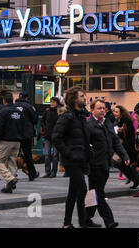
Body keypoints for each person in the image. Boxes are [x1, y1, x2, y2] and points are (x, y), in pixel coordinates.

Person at [52, 87, 93, 228]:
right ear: (74, 99)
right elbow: (56, 138)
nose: (84, 98)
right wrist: (68, 153)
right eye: (82, 96)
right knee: (82, 189)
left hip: (81, 159)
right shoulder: (67, 116)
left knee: (73, 192)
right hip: (72, 160)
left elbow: (85, 141)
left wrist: (87, 161)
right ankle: (83, 223)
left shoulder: (81, 116)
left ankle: (67, 224)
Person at [85, 99, 129, 228]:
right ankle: (109, 221)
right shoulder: (88, 125)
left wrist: (124, 155)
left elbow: (115, 141)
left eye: (103, 108)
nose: (102, 110)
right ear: (92, 110)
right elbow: (85, 146)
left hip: (105, 163)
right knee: (99, 192)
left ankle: (86, 219)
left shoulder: (108, 123)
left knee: (93, 192)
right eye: (99, 108)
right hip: (94, 164)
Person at [0, 92, 26, 193]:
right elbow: (24, 126)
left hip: (6, 140)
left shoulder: (4, 111)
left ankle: (10, 179)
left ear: (4, 101)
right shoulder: (19, 112)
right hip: (17, 140)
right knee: (12, 161)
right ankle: (8, 186)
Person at [14, 92, 39, 181]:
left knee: (14, 155)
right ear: (26, 98)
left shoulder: (13, 106)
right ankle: (32, 174)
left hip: (15, 134)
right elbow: (35, 119)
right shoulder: (28, 106)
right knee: (28, 154)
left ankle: (12, 174)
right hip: (26, 134)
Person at [113, 105, 139, 189]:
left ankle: (136, 180)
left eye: (117, 112)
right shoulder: (119, 120)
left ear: (121, 112)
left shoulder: (125, 120)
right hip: (124, 146)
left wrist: (120, 132)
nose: (115, 113)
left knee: (127, 164)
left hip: (128, 146)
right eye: (114, 111)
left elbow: (128, 134)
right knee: (122, 164)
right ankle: (134, 179)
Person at [41, 97, 61, 178]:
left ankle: (54, 172)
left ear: (57, 103)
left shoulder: (59, 111)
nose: (52, 103)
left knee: (55, 155)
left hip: (56, 136)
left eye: (53, 102)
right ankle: (47, 171)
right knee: (47, 154)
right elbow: (42, 121)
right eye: (51, 102)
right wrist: (45, 128)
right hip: (47, 136)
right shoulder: (47, 111)